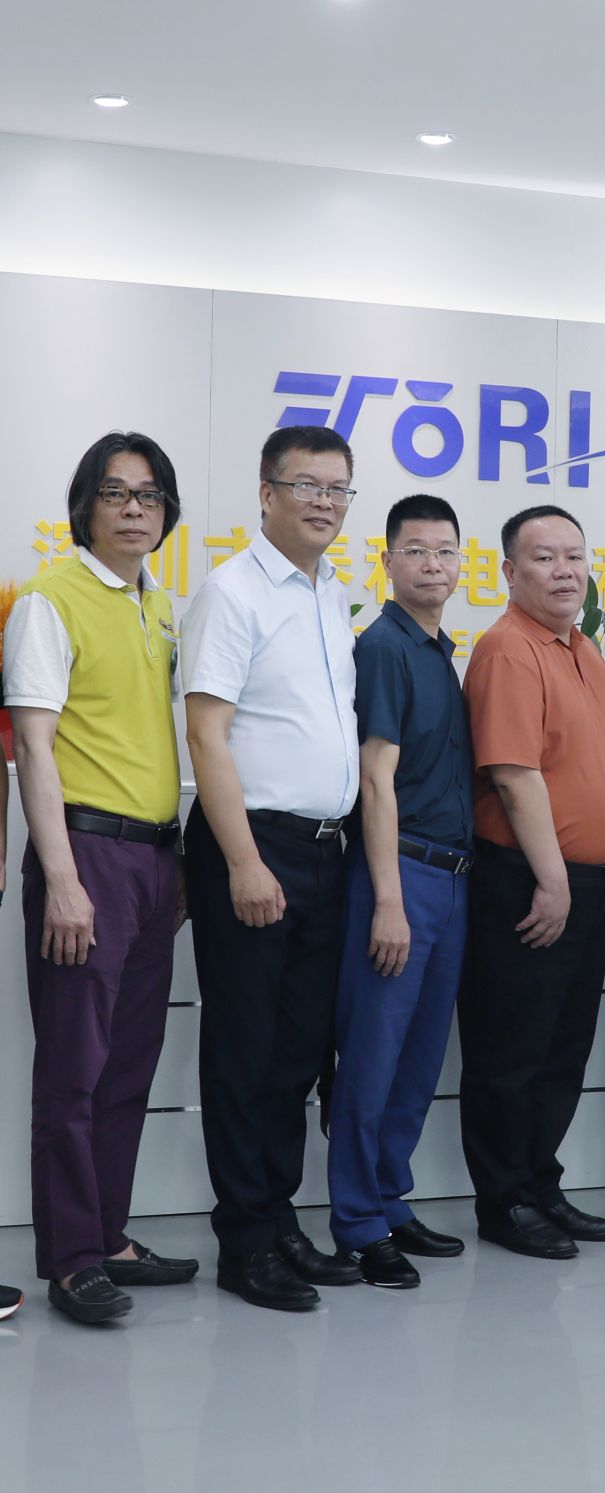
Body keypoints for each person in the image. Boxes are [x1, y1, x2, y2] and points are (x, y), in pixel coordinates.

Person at [7, 432, 195, 1324]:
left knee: (128, 1063)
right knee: (74, 1070)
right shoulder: (51, 598)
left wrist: (179, 857)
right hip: (86, 857)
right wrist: (62, 876)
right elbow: (33, 744)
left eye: (149, 496)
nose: (133, 510)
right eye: (116, 493)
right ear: (84, 505)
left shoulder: (159, 604)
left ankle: (110, 1235)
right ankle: (73, 1257)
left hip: (155, 859)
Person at [183, 424, 364, 1311]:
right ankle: (244, 1242)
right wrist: (244, 860)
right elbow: (205, 731)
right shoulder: (231, 592)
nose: (324, 502)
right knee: (245, 1050)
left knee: (296, 1051)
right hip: (255, 846)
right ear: (266, 494)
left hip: (325, 850)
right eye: (307, 485)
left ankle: (280, 1218)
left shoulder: (332, 593)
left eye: (338, 489)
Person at [458, 504, 605, 1260]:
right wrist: (553, 880)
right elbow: (514, 774)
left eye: (574, 556)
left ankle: (539, 1183)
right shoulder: (507, 648)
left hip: (587, 882)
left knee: (562, 1046)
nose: (564, 571)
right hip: (529, 882)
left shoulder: (584, 649)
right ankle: (504, 1201)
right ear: (509, 571)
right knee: (511, 1049)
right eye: (544, 558)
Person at [325, 495, 474, 1288]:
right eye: (415, 550)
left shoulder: (439, 649)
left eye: (445, 551)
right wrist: (387, 898)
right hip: (403, 873)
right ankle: (356, 1221)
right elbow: (375, 779)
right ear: (387, 561)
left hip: (451, 876)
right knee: (374, 1055)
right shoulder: (384, 646)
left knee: (418, 1057)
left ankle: (389, 1197)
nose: (432, 564)